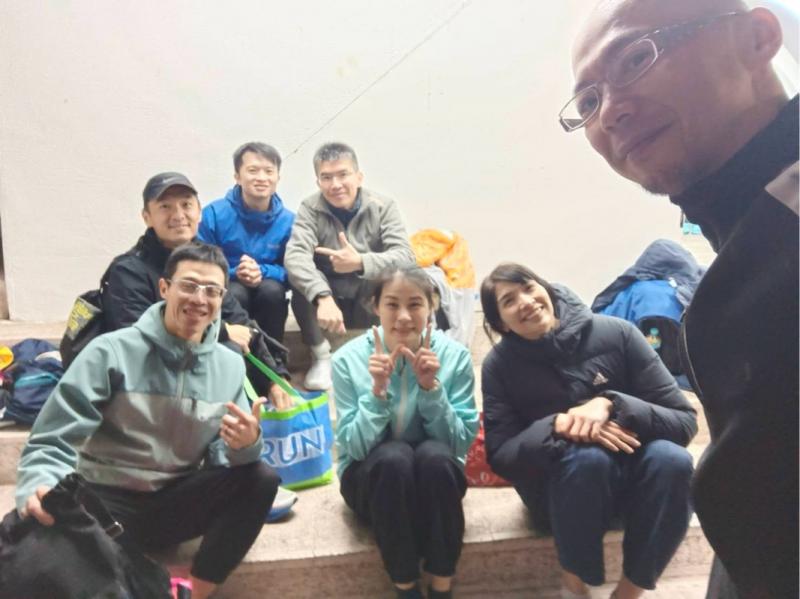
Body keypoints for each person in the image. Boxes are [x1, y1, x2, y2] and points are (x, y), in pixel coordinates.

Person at [566, 2, 798, 596]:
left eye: (634, 58)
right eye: (587, 101)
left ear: (758, 37)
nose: (609, 112)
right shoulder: (752, 236)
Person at [15, 243, 279, 599]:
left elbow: (224, 457)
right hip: (104, 500)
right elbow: (53, 438)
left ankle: (193, 592)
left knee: (261, 478)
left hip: (173, 502)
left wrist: (246, 446)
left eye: (212, 290)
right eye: (189, 285)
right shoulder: (111, 351)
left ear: (221, 298)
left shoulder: (229, 365)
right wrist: (40, 482)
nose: (199, 299)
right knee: (35, 535)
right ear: (165, 288)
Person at [480, 263, 697, 599]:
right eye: (509, 300)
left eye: (529, 287)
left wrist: (612, 403)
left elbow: (684, 421)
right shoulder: (499, 366)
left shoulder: (618, 334)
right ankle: (574, 585)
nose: (525, 301)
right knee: (588, 459)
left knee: (674, 460)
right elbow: (502, 457)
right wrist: (556, 425)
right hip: (558, 494)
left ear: (546, 289)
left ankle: (628, 592)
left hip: (635, 482)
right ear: (500, 324)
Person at [332, 266, 479, 599]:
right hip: (371, 483)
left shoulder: (454, 357)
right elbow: (354, 448)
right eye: (391, 304)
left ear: (432, 306)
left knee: (435, 457)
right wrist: (377, 392)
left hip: (435, 485)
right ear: (375, 306)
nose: (403, 317)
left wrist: (431, 389)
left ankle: (441, 585)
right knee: (393, 458)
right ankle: (406, 587)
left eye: (415, 304)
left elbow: (459, 443)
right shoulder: (347, 360)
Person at [285, 142, 416, 390]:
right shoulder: (310, 208)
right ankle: (321, 356)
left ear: (359, 176)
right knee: (300, 283)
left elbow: (405, 256)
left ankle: (384, 350)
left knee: (404, 278)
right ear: (318, 181)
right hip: (329, 300)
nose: (335, 184)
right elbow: (295, 256)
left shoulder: (383, 206)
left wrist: (360, 262)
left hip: (367, 294)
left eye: (343, 174)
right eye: (326, 177)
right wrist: (322, 296)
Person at [198, 142, 295, 342]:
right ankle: (234, 356)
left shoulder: (289, 221)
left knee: (272, 291)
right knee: (234, 293)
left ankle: (273, 356)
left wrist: (262, 271)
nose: (262, 178)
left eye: (269, 171)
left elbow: (294, 270)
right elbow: (200, 264)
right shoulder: (213, 214)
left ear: (278, 177)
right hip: (227, 286)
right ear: (237, 176)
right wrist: (237, 273)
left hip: (268, 288)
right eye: (253, 170)